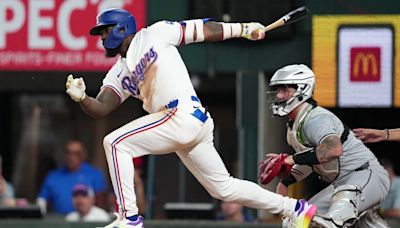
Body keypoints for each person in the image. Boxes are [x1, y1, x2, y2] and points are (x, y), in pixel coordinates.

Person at [65, 8, 317, 228]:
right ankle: (294, 209)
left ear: (121, 27)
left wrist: (243, 29)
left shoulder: (155, 33)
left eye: (105, 31)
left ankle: (129, 218)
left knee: (116, 142)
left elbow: (204, 29)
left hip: (181, 113)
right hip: (184, 123)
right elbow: (101, 108)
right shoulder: (117, 73)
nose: (102, 37)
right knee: (224, 188)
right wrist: (82, 98)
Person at [266, 64, 390, 227]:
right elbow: (312, 160)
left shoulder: (315, 119)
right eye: (278, 90)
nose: (279, 95)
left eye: (285, 90)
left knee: (330, 222)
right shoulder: (294, 125)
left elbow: (333, 149)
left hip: (365, 174)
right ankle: (365, 220)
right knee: (297, 222)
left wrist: (290, 159)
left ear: (302, 90)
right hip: (341, 184)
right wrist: (285, 182)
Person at [37, 140, 107, 215]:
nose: (71, 157)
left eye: (76, 154)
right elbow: (42, 200)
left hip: (85, 221)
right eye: (68, 153)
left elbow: (100, 203)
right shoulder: (53, 176)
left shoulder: (94, 174)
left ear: (83, 155)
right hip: (59, 221)